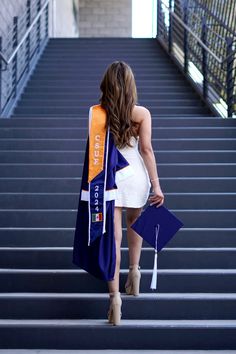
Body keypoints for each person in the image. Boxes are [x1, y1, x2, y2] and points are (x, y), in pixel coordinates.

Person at [98, 61, 165, 326]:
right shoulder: (142, 113)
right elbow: (146, 149)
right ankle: (134, 274)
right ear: (130, 86)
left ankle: (114, 299)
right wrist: (156, 185)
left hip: (111, 178)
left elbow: (96, 154)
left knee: (113, 239)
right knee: (135, 223)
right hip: (136, 175)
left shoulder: (98, 114)